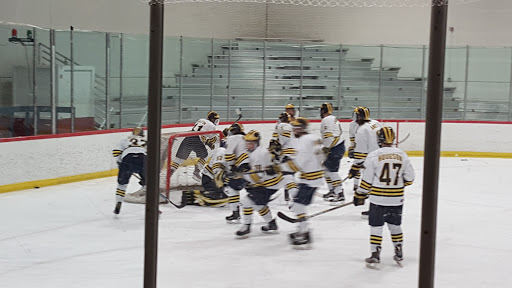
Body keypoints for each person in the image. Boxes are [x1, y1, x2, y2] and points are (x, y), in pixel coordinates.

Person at [352, 127, 415, 267]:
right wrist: (397, 184)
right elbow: (410, 179)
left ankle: (375, 253)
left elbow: (367, 181)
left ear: (378, 139)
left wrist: (360, 194)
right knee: (395, 225)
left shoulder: (374, 155)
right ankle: (398, 250)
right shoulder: (402, 155)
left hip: (377, 198)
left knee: (376, 226)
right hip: (396, 198)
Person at [235, 130, 283, 238]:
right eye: (247, 142)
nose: (248, 145)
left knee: (246, 201)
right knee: (258, 204)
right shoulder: (253, 152)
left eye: (251, 143)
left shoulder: (259, 154)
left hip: (270, 183)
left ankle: (246, 226)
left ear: (257, 143)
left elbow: (257, 177)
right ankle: (271, 224)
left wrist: (242, 175)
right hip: (267, 182)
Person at [288, 117, 326, 247]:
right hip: (313, 177)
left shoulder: (303, 141)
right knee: (299, 204)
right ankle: (301, 229)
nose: (294, 130)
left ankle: (304, 233)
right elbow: (322, 156)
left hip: (310, 178)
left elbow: (299, 162)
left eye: (295, 128)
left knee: (298, 205)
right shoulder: (313, 138)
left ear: (300, 129)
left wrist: (280, 168)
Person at [347, 106, 382, 218]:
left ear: (360, 116)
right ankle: (379, 209)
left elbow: (360, 153)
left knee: (371, 184)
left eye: (356, 115)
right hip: (381, 156)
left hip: (372, 160)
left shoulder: (362, 130)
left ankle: (376, 211)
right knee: (376, 185)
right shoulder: (376, 123)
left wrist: (355, 167)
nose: (355, 118)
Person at [182, 131, 230, 207]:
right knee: (223, 198)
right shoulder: (222, 151)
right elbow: (217, 169)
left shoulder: (229, 153)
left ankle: (208, 194)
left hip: (215, 179)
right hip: (210, 179)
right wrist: (221, 183)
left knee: (230, 195)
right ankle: (196, 195)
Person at [169, 111, 220, 181]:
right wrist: (223, 134)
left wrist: (208, 142)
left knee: (180, 159)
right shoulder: (212, 126)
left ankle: (169, 174)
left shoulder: (201, 120)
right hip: (196, 140)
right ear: (212, 119)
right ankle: (196, 172)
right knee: (205, 156)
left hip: (188, 137)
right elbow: (213, 139)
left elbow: (202, 134)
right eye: (216, 120)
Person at [112, 127, 146, 214]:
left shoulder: (125, 140)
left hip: (127, 159)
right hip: (143, 159)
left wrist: (121, 162)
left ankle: (118, 202)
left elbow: (115, 152)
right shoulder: (145, 140)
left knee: (122, 185)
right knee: (149, 185)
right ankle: (153, 206)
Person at [318, 102, 346, 203]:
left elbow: (328, 136)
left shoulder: (327, 120)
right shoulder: (332, 119)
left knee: (333, 172)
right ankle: (333, 191)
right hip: (337, 146)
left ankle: (340, 194)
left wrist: (326, 149)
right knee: (326, 170)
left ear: (323, 111)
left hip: (334, 148)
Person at [269, 112, 298, 203]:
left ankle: (295, 198)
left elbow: (283, 137)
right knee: (288, 176)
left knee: (286, 177)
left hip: (287, 155)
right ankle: (288, 194)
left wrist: (277, 146)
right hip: (294, 155)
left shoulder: (282, 125)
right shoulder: (292, 126)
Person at [223, 122, 249, 223]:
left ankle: (235, 213)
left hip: (243, 166)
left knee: (232, 188)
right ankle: (269, 220)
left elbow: (229, 154)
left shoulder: (233, 138)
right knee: (254, 192)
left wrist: (231, 166)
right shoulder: (247, 137)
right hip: (254, 166)